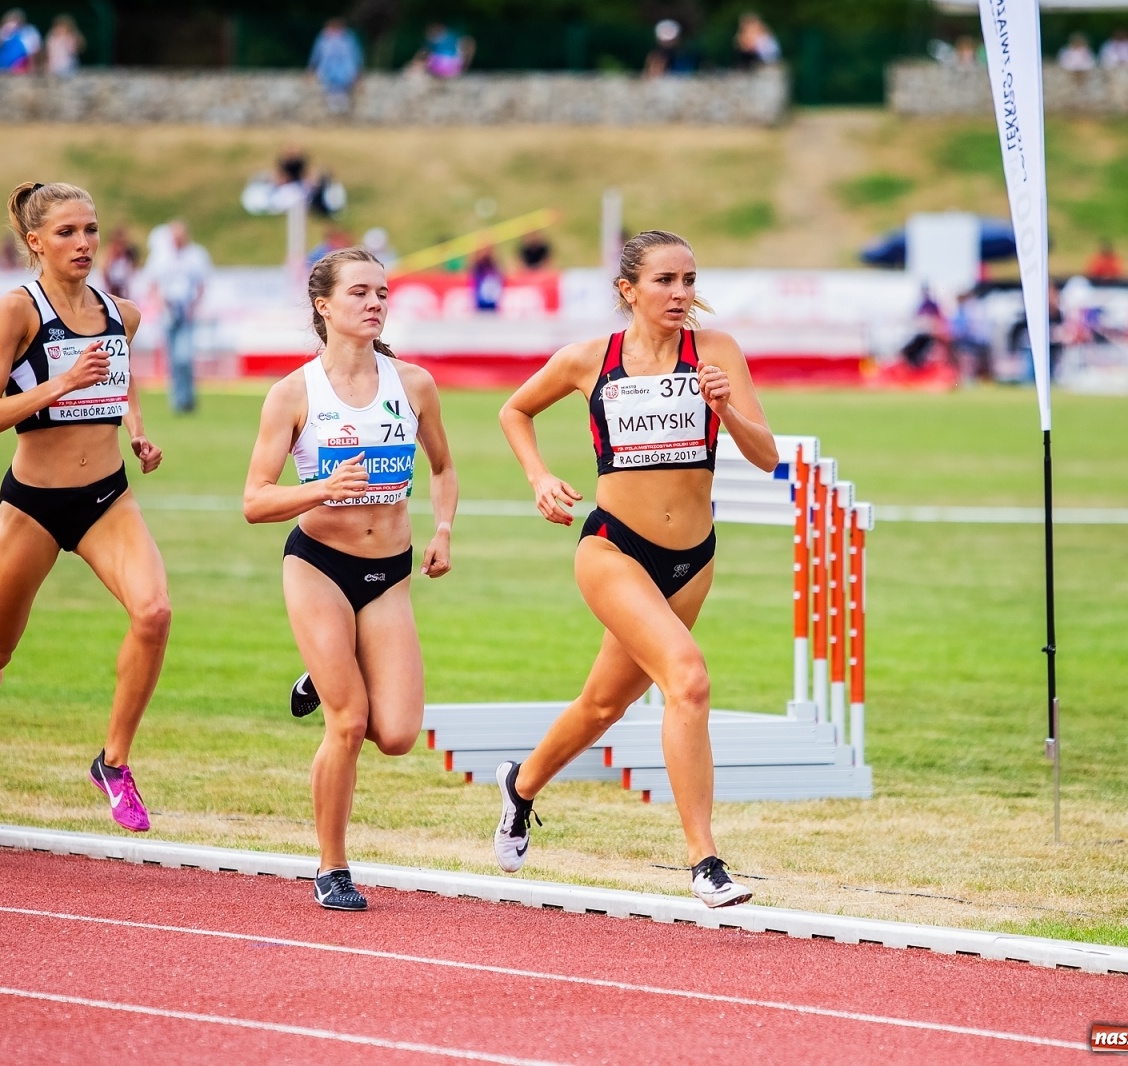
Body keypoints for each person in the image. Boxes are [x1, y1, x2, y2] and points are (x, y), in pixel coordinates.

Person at [491, 230, 777, 908]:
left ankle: (519, 787)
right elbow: (514, 410)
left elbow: (766, 457)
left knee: (603, 704)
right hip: (614, 549)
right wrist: (538, 476)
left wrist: (726, 407)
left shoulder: (718, 353)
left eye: (689, 279)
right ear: (629, 290)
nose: (681, 294)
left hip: (693, 559)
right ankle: (705, 859)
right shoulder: (592, 359)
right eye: (664, 281)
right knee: (689, 679)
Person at [0, 182, 167, 851]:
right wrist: (60, 384)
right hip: (34, 504)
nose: (83, 243)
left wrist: (136, 426)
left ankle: (113, 763)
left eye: (90, 229)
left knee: (154, 614)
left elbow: (119, 373)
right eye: (66, 232)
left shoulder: (122, 312)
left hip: (106, 498)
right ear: (35, 241)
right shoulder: (15, 311)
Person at [242, 247, 457, 911]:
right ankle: (332, 867)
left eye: (382, 293)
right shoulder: (294, 394)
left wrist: (443, 529)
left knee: (394, 734)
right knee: (349, 721)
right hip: (319, 566)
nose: (374, 303)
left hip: (389, 572)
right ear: (323, 306)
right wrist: (321, 489)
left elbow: (444, 469)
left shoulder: (413, 384)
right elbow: (254, 499)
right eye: (359, 292)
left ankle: (322, 671)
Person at [143, 220, 211, 414]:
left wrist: (194, 306)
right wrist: (160, 305)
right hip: (167, 311)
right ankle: (178, 401)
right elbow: (153, 284)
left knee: (185, 357)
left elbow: (201, 284)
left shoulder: (196, 256)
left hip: (186, 310)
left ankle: (188, 397)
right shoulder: (161, 257)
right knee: (171, 359)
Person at [309, 18, 363, 115]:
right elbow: (316, 55)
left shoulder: (348, 38)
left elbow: (355, 55)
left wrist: (357, 71)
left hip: (345, 71)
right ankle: (335, 111)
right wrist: (312, 69)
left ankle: (341, 111)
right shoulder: (324, 38)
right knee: (331, 89)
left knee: (343, 90)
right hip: (328, 70)